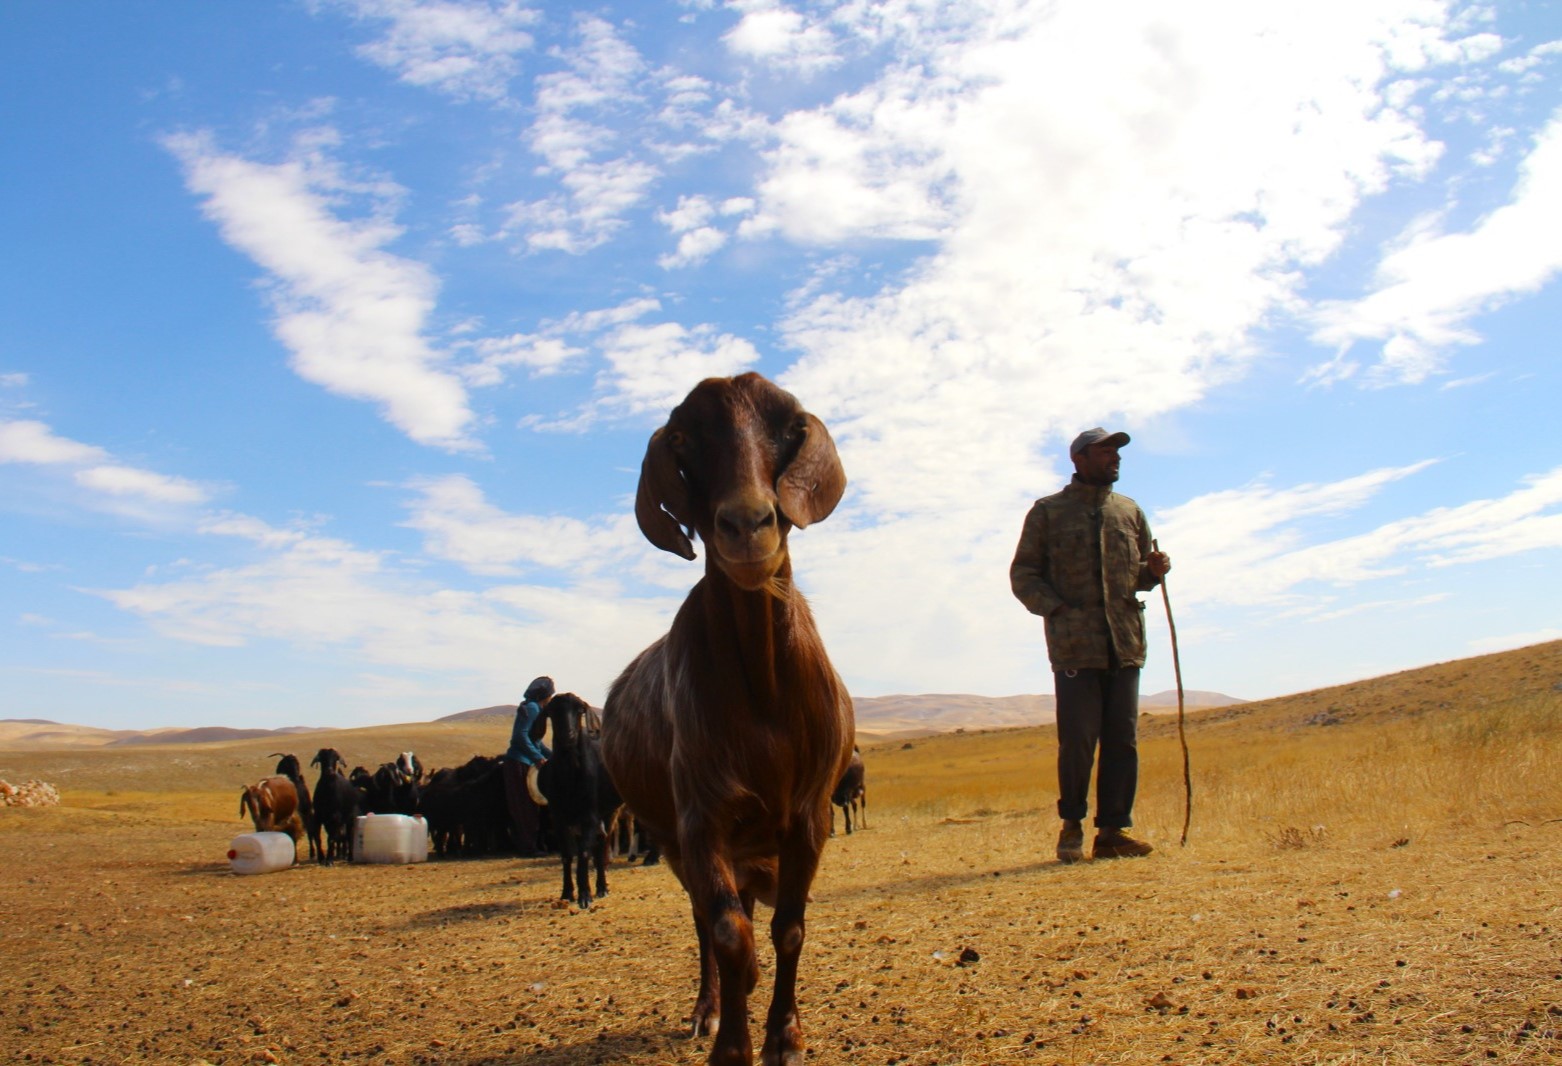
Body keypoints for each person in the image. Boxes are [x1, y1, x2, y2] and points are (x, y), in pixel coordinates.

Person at [1009, 428, 1171, 863]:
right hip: (1075, 646)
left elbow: (1138, 576)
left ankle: (1113, 833)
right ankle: (1072, 825)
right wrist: (1057, 610)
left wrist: (1153, 571)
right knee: (1078, 740)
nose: (1115, 458)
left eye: (1117, 452)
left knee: (1124, 739)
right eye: (1106, 451)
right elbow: (1023, 575)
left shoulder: (1129, 512)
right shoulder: (1048, 512)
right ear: (1079, 458)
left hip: (1125, 642)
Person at [502, 675, 555, 857]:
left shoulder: (534, 708)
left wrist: (553, 756)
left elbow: (536, 741)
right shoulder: (533, 708)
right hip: (520, 762)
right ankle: (528, 848)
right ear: (546, 696)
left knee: (527, 805)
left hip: (523, 761)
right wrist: (538, 757)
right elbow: (520, 736)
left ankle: (529, 845)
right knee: (524, 806)